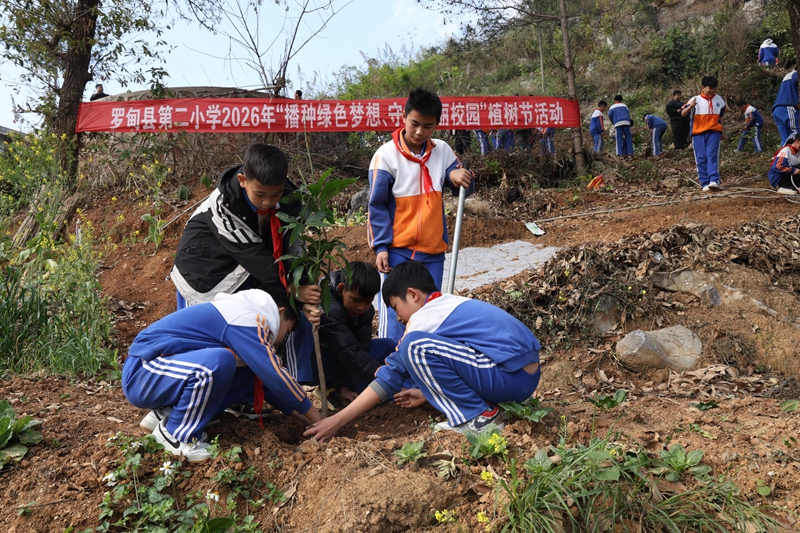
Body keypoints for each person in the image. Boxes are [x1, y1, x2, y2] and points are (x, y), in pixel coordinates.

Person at [303, 261, 542, 442]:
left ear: (413, 295)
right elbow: (461, 363)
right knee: (418, 347)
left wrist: (337, 420)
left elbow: (389, 376)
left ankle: (479, 416)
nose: (398, 317)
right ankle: (484, 409)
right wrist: (427, 392)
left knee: (413, 346)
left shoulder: (425, 316)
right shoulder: (448, 305)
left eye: (396, 307)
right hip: (522, 379)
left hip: (509, 378)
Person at [123, 288, 322, 462]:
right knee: (220, 360)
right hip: (144, 371)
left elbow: (270, 387)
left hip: (160, 374)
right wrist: (317, 416)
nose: (281, 341)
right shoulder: (249, 319)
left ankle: (166, 413)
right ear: (280, 311)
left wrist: (316, 422)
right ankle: (175, 433)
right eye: (286, 332)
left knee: (246, 372)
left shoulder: (241, 318)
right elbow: (275, 375)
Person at [367, 88, 474, 342]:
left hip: (432, 254)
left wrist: (457, 175)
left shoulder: (443, 151)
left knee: (429, 316)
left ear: (436, 125)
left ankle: (423, 372)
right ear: (404, 117)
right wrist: (381, 247)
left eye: (427, 127)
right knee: (396, 316)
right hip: (397, 252)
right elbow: (377, 206)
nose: (419, 132)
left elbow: (463, 185)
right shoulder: (385, 156)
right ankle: (391, 372)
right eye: (414, 124)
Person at [313, 262, 398, 403]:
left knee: (389, 347)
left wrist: (345, 386)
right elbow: (348, 352)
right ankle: (329, 386)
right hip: (321, 360)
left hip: (344, 354)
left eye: (368, 301)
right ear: (341, 289)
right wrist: (387, 378)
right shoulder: (328, 308)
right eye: (356, 300)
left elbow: (361, 347)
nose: (361, 307)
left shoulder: (365, 312)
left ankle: (342, 390)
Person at [681, 76, 726, 192]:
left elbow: (721, 116)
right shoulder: (695, 99)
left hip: (714, 131)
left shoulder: (719, 100)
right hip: (698, 133)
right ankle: (704, 182)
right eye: (710, 88)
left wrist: (723, 130)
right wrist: (691, 107)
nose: (712, 90)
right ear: (703, 87)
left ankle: (714, 180)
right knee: (701, 157)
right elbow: (683, 113)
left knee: (712, 155)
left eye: (714, 88)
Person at [772, 70, 798, 146]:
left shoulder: (788, 76)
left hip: (777, 109)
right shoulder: (796, 74)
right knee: (796, 133)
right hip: (788, 108)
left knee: (785, 138)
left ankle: (782, 156)